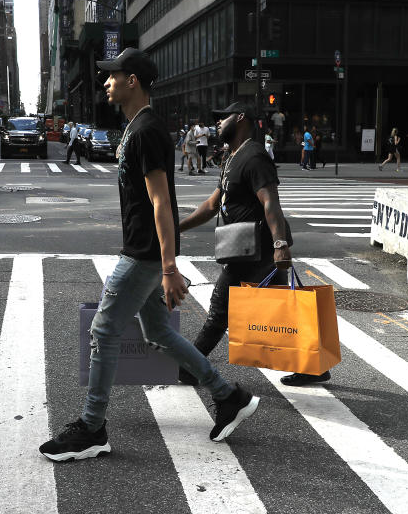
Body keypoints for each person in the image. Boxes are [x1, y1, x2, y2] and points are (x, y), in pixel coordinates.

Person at [39, 49, 260, 462]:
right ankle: (228, 395)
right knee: (159, 333)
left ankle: (91, 427)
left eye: (113, 76)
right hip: (144, 252)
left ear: (133, 80)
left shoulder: (145, 131)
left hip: (142, 256)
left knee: (104, 332)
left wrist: (169, 266)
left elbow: (162, 203)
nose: (107, 83)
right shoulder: (138, 128)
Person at [179, 102, 328, 387]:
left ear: (241, 118)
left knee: (219, 310)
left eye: (223, 117)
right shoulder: (233, 157)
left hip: (257, 252)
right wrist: (177, 228)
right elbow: (212, 205)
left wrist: (280, 244)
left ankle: (192, 368)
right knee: (284, 310)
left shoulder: (255, 156)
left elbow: (270, 201)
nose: (218, 123)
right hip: (242, 248)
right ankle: (315, 366)